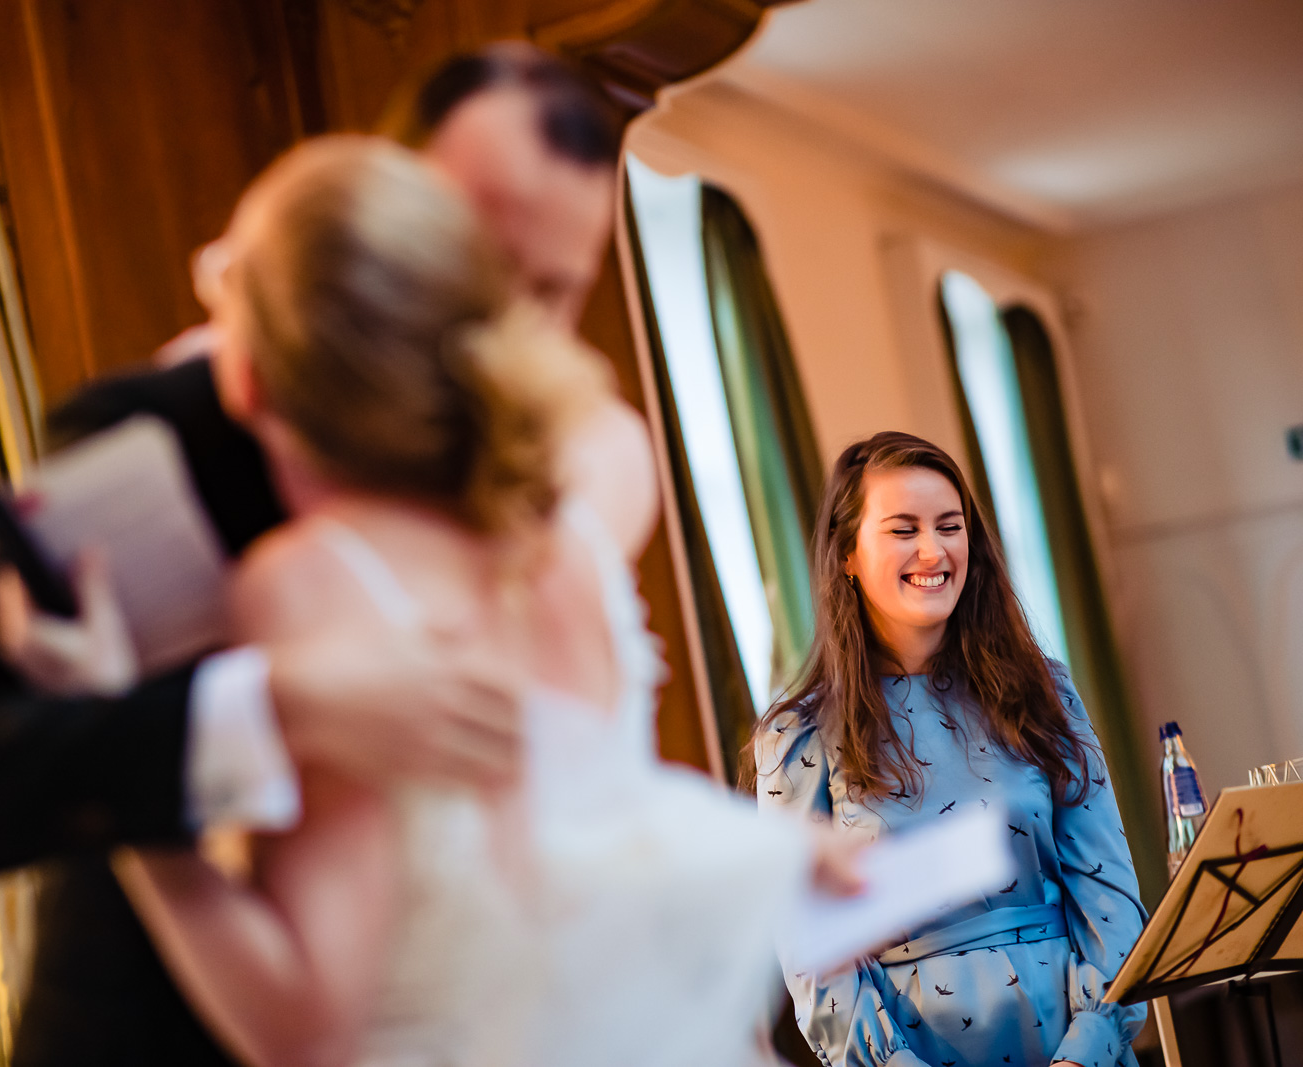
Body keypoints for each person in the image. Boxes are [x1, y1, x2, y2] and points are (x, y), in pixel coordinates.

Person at [0, 43, 635, 1067]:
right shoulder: (174, 433)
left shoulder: (574, 460)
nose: (501, 330)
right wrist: (268, 701)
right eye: (473, 259)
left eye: (551, 292)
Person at [110, 133, 862, 1067]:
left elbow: (307, 1027)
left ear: (244, 372)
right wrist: (774, 855)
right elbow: (590, 826)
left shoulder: (314, 581)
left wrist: (138, 819)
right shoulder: (564, 544)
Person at [756, 431, 1148, 1067]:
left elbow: (1111, 895)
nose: (933, 551)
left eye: (950, 525)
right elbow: (812, 954)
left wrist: (1089, 1048)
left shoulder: (1044, 692)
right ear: (847, 555)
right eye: (903, 529)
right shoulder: (797, 734)